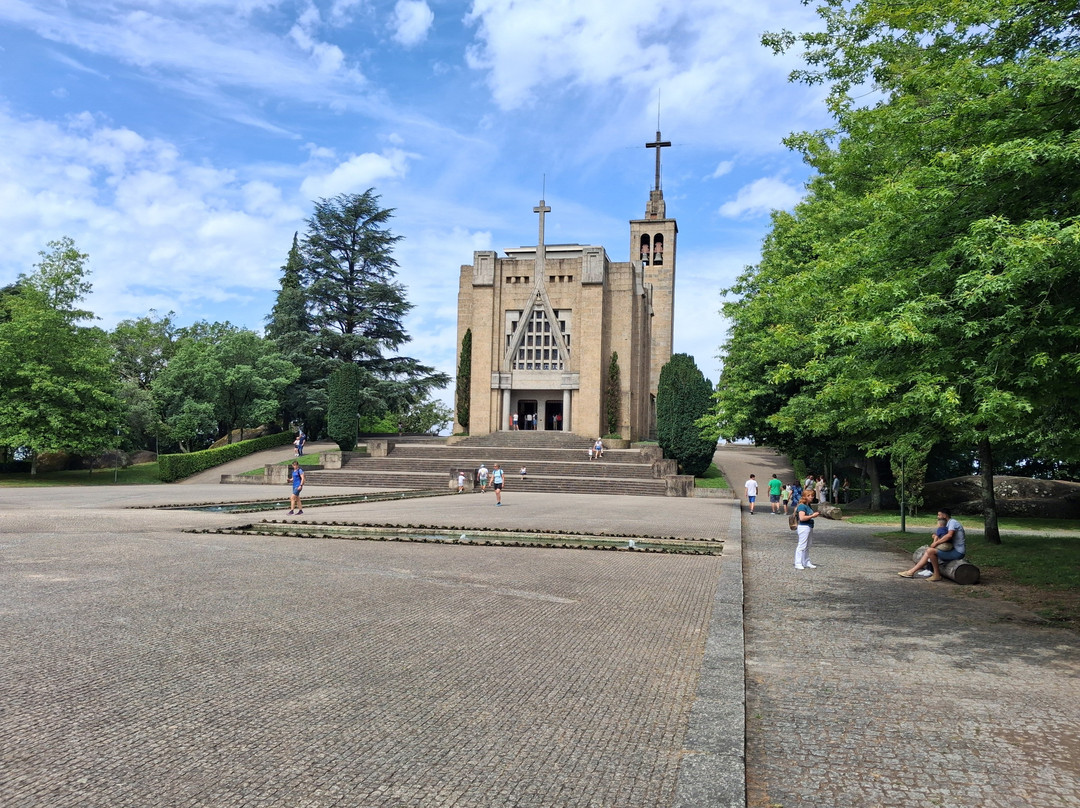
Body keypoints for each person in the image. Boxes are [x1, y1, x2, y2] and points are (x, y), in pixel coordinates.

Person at [899, 509, 966, 581]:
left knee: (930, 551)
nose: (938, 517)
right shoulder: (948, 523)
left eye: (939, 515)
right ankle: (912, 571)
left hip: (958, 552)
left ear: (944, 515)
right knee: (929, 551)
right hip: (952, 550)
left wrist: (936, 543)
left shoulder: (952, 522)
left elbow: (949, 536)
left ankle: (935, 574)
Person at [794, 489, 820, 570]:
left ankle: (806, 561)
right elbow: (802, 518)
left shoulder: (808, 505)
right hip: (804, 526)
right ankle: (798, 562)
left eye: (812, 495)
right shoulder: (802, 506)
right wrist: (813, 516)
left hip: (809, 526)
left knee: (808, 545)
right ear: (805, 496)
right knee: (802, 545)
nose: (811, 497)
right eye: (809, 496)